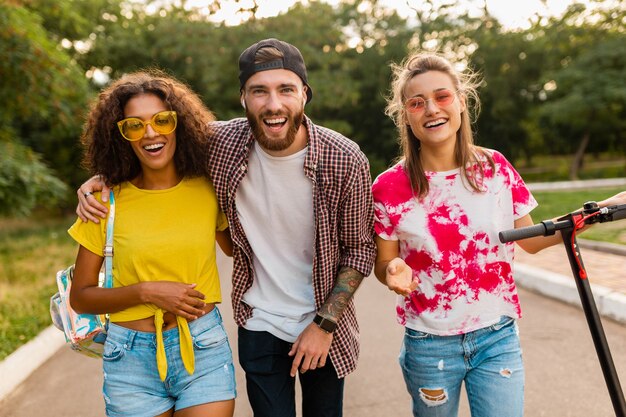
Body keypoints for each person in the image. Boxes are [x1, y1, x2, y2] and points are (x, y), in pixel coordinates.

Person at [76, 39, 376, 417]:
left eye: (286, 89)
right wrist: (102, 178)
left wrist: (324, 324)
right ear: (243, 99)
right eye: (259, 92)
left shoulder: (344, 158)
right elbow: (156, 142)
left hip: (323, 322)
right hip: (260, 319)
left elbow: (361, 248)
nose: (273, 104)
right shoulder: (219, 143)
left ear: (304, 94)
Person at [372, 51, 626, 417]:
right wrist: (392, 271)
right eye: (417, 102)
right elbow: (385, 261)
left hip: (497, 336)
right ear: (405, 116)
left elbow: (533, 240)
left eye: (442, 96)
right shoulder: (389, 186)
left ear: (461, 101)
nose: (431, 109)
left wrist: (600, 209)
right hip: (429, 343)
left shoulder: (495, 168)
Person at [69, 70, 236, 417]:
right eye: (134, 125)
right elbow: (81, 296)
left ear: (180, 125)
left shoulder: (208, 190)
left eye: (162, 120)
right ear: (121, 137)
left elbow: (238, 249)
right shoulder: (106, 202)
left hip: (202, 347)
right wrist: (147, 292)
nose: (150, 133)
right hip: (130, 359)